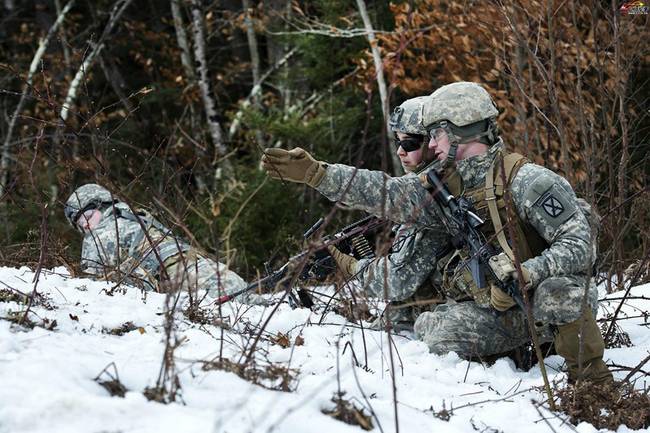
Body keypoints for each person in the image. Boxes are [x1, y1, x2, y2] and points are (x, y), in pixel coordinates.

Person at [261, 82, 612, 384]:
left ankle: (590, 384)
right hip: (500, 306)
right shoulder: (446, 185)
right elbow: (383, 192)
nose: (431, 144)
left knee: (559, 292)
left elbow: (580, 244)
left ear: (461, 129)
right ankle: (517, 350)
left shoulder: (529, 181)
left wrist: (529, 272)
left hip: (546, 302)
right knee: (435, 333)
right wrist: (317, 174)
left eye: (436, 133)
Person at [326, 96, 448, 330]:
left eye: (410, 144)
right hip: (416, 307)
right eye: (398, 142)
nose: (401, 151)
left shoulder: (437, 193)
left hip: (440, 316)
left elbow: (398, 281)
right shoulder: (428, 183)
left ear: (433, 143)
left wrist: (352, 267)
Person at [64, 184, 256, 303]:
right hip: (214, 270)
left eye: (87, 216)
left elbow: (91, 288)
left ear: (102, 205)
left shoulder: (102, 233)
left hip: (194, 284)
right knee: (259, 308)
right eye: (80, 224)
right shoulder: (136, 217)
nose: (86, 225)